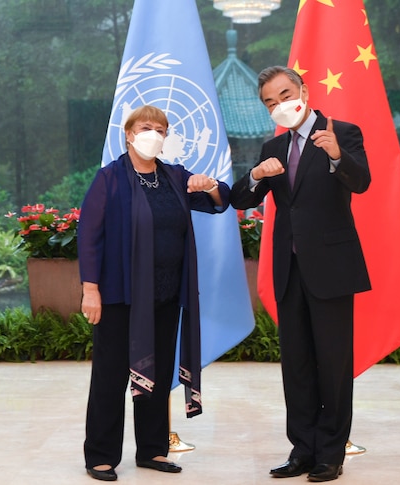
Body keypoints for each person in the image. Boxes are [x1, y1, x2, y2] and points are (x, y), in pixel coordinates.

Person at [230, 66, 371, 482]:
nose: (279, 106)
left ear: (304, 91)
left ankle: (330, 454)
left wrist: (335, 156)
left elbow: (362, 182)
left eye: (285, 95)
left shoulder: (341, 132)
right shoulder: (271, 145)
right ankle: (302, 451)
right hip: (288, 270)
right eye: (270, 103)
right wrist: (256, 175)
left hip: (331, 268)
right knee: (297, 366)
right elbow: (241, 198)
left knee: (332, 364)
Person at [78, 105, 230, 482]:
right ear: (129, 134)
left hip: (165, 295)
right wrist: (90, 289)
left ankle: (152, 450)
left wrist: (208, 185)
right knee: (111, 377)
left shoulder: (175, 176)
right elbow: (89, 235)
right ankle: (100, 455)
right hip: (118, 295)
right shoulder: (109, 179)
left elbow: (221, 200)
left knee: (157, 376)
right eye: (146, 127)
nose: (154, 134)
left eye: (161, 129)